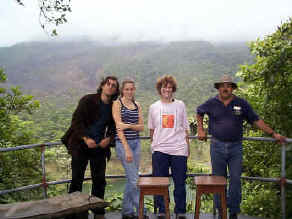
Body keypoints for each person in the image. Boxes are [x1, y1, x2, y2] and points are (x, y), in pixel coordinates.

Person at [196, 74, 287, 219]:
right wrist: (200, 129)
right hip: (217, 146)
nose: (225, 88)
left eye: (228, 85)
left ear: (232, 88)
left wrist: (273, 133)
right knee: (218, 180)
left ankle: (233, 212)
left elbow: (255, 120)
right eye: (223, 85)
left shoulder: (241, 103)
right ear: (218, 88)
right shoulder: (211, 103)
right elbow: (199, 112)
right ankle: (221, 212)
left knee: (236, 179)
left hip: (235, 148)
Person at [64, 76, 120, 219]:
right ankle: (73, 213)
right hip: (80, 144)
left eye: (114, 85)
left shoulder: (114, 106)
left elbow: (115, 126)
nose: (110, 86)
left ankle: (98, 213)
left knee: (99, 180)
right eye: (108, 84)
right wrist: (85, 138)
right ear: (102, 86)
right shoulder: (88, 100)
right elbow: (76, 121)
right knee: (77, 179)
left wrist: (108, 139)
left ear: (115, 90)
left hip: (99, 147)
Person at [148, 75, 190, 219]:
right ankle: (162, 210)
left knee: (179, 182)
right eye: (164, 87)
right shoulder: (153, 107)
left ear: (173, 89)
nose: (167, 89)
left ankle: (180, 211)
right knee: (160, 182)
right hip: (160, 150)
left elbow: (185, 127)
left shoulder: (180, 105)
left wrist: (187, 147)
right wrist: (153, 147)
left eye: (170, 87)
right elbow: (151, 130)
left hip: (179, 149)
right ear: (160, 89)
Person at [112, 79, 145, 219]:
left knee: (131, 179)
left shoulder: (137, 105)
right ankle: (140, 213)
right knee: (134, 180)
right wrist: (126, 149)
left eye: (132, 89)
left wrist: (128, 126)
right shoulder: (117, 103)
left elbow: (141, 127)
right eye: (127, 89)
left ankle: (126, 211)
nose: (130, 91)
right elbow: (119, 128)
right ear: (122, 90)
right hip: (123, 144)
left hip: (136, 143)